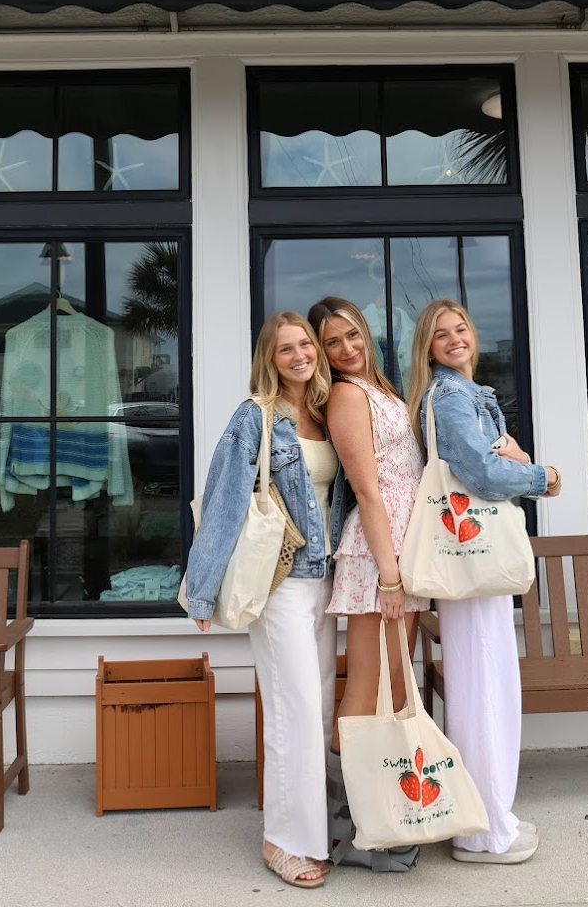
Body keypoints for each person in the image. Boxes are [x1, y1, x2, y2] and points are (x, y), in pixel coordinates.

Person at [183, 312, 342, 890]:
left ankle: (310, 828)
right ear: (268, 359)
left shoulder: (326, 414)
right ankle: (284, 842)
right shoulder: (255, 417)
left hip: (324, 579)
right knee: (293, 709)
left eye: (306, 345)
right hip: (279, 585)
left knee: (317, 712)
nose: (300, 355)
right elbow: (224, 499)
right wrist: (200, 590)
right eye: (286, 349)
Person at [406, 298, 562, 865]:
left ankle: (492, 816)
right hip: (468, 559)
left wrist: (512, 460)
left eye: (461, 328)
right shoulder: (450, 396)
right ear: (427, 347)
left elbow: (486, 462)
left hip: (473, 558)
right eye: (440, 334)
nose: (454, 339)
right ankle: (483, 831)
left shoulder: (467, 395)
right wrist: (541, 476)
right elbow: (481, 471)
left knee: (488, 685)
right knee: (482, 691)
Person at [307, 296, 427, 873]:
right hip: (378, 554)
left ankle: (379, 814)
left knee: (397, 689)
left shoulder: (378, 387)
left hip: (402, 546)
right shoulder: (348, 396)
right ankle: (344, 827)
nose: (347, 348)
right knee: (366, 689)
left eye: (352, 335)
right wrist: (390, 576)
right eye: (332, 342)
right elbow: (369, 490)